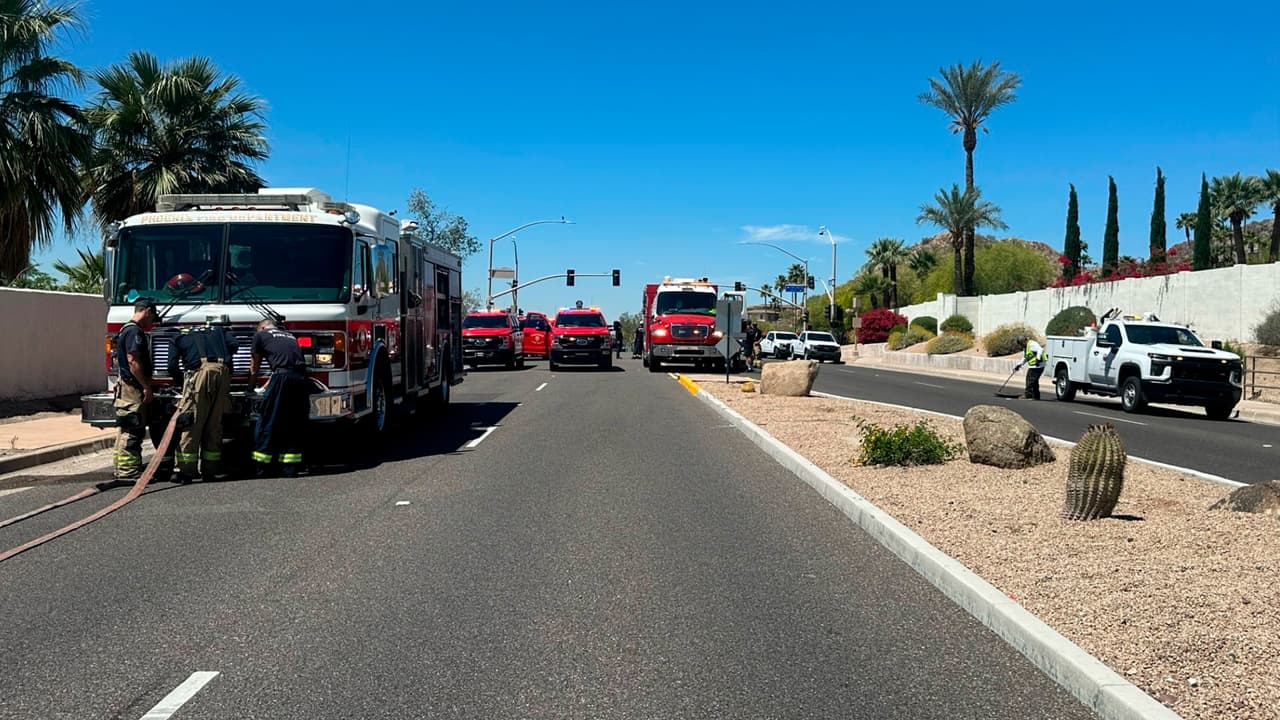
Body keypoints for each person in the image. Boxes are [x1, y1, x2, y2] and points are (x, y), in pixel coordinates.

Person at [112, 297, 175, 481]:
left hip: (127, 385)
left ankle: (122, 469)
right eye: (152, 317)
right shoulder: (134, 332)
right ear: (147, 311)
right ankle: (129, 472)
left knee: (125, 428)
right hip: (134, 388)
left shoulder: (124, 329)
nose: (151, 323)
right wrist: (146, 386)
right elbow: (133, 360)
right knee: (133, 429)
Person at [168, 316, 237, 483]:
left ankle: (186, 471)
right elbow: (234, 346)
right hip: (223, 374)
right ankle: (210, 470)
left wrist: (182, 383)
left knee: (191, 422)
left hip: (199, 376)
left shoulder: (178, 336)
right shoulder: (220, 331)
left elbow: (171, 366)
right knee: (215, 423)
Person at [249, 319, 310, 477]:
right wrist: (267, 386)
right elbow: (284, 365)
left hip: (282, 379)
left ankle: (262, 467)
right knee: (293, 422)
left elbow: (254, 366)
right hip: (301, 379)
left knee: (268, 419)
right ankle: (290, 468)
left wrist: (250, 388)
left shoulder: (260, 335)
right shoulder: (289, 335)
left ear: (262, 327)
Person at [1014, 334, 1046, 399]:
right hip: (1034, 366)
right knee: (1034, 381)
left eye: (1021, 344)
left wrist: (1038, 359)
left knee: (1030, 380)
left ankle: (1028, 394)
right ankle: (1036, 395)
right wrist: (1019, 364)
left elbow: (1040, 350)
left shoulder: (1032, 344)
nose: (1021, 345)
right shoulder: (1026, 347)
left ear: (1023, 341)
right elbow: (1026, 357)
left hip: (1038, 365)